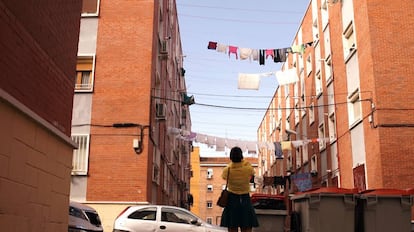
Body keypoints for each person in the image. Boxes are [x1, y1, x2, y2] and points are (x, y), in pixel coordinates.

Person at [220, 146, 259, 232]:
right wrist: (243, 162)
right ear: (241, 156)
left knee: (232, 227)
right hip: (245, 200)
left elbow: (223, 177)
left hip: (231, 200)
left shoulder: (227, 170)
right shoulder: (248, 168)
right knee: (247, 227)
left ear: (231, 157)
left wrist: (232, 164)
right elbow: (252, 171)